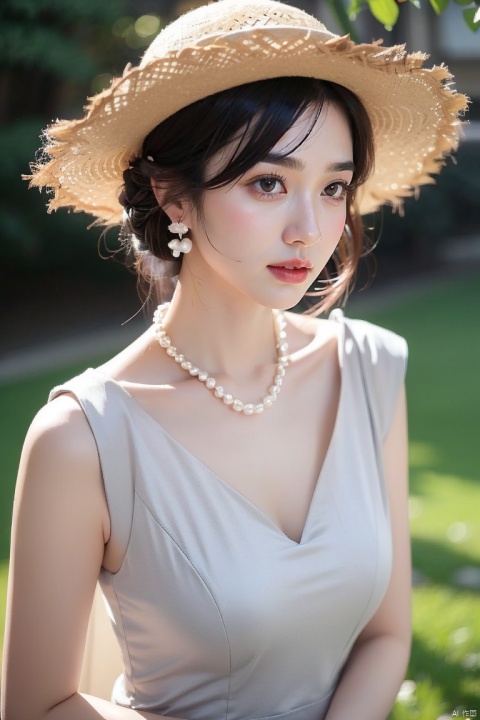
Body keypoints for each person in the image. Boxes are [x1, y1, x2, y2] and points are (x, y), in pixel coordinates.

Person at [1, 1, 468, 719]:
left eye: (334, 187)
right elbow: (37, 706)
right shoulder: (82, 440)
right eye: (268, 183)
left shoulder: (370, 369)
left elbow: (386, 633)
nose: (310, 231)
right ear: (173, 196)